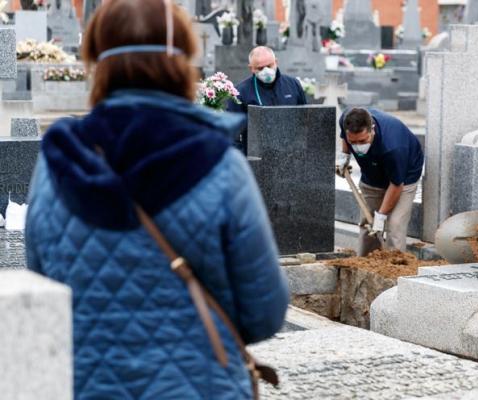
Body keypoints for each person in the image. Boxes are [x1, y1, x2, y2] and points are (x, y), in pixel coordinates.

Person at [24, 1, 290, 398]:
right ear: (181, 61)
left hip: (88, 385)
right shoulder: (219, 165)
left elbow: (44, 294)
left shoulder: (58, 164)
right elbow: (264, 311)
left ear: (97, 62)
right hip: (201, 385)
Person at [339, 107, 424, 256]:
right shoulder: (346, 119)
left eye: (362, 141)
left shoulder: (394, 146)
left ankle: (395, 266)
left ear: (372, 129)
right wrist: (345, 157)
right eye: (353, 142)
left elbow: (397, 185)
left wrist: (381, 216)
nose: (358, 146)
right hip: (372, 174)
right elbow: (344, 138)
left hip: (404, 176)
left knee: (395, 224)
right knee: (368, 224)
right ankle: (365, 262)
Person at [227, 46, 307, 151]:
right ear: (251, 68)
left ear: (276, 62)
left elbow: (305, 118)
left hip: (292, 151)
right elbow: (233, 132)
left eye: (269, 66)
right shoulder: (240, 92)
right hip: (257, 154)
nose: (266, 71)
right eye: (260, 68)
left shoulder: (293, 84)